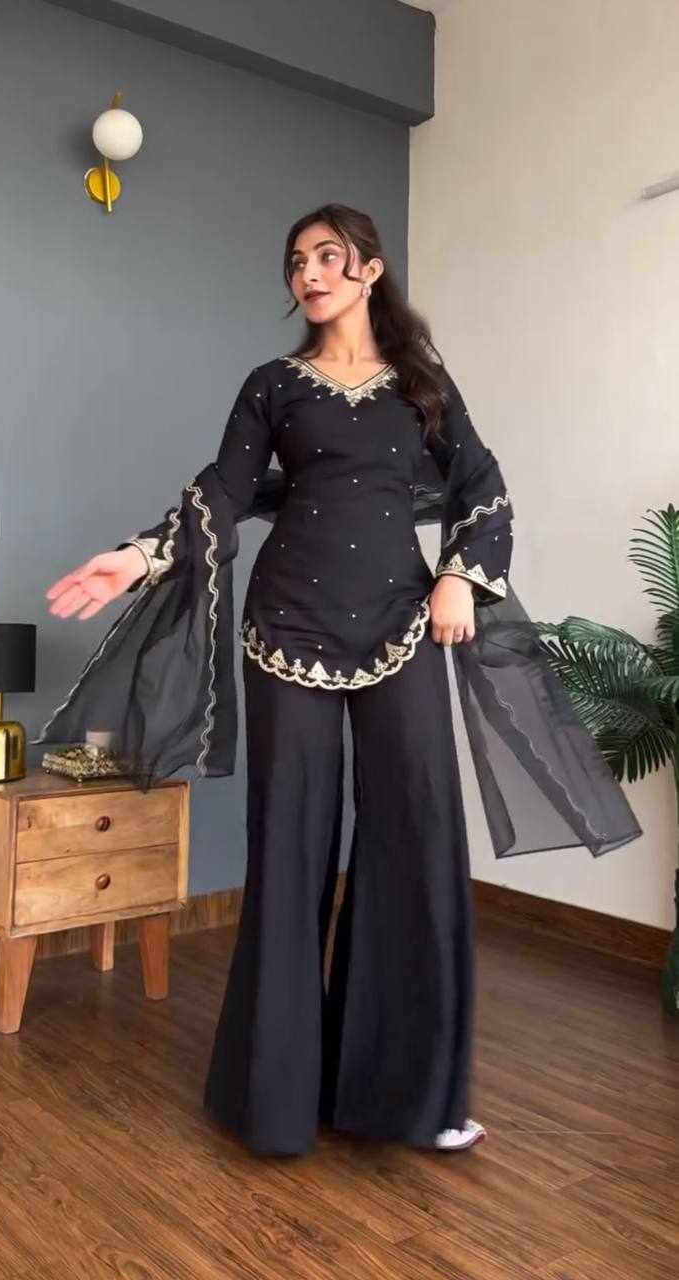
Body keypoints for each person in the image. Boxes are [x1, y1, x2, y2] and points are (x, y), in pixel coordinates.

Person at [42, 204, 641, 1157]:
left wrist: (459, 575)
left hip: (402, 622)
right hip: (286, 628)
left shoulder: (421, 383)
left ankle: (412, 1098)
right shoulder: (272, 385)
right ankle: (274, 1103)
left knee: (415, 834)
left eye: (327, 256)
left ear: (369, 269)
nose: (309, 274)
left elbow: (483, 486)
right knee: (290, 843)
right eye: (296, 262)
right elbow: (224, 493)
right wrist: (140, 555)